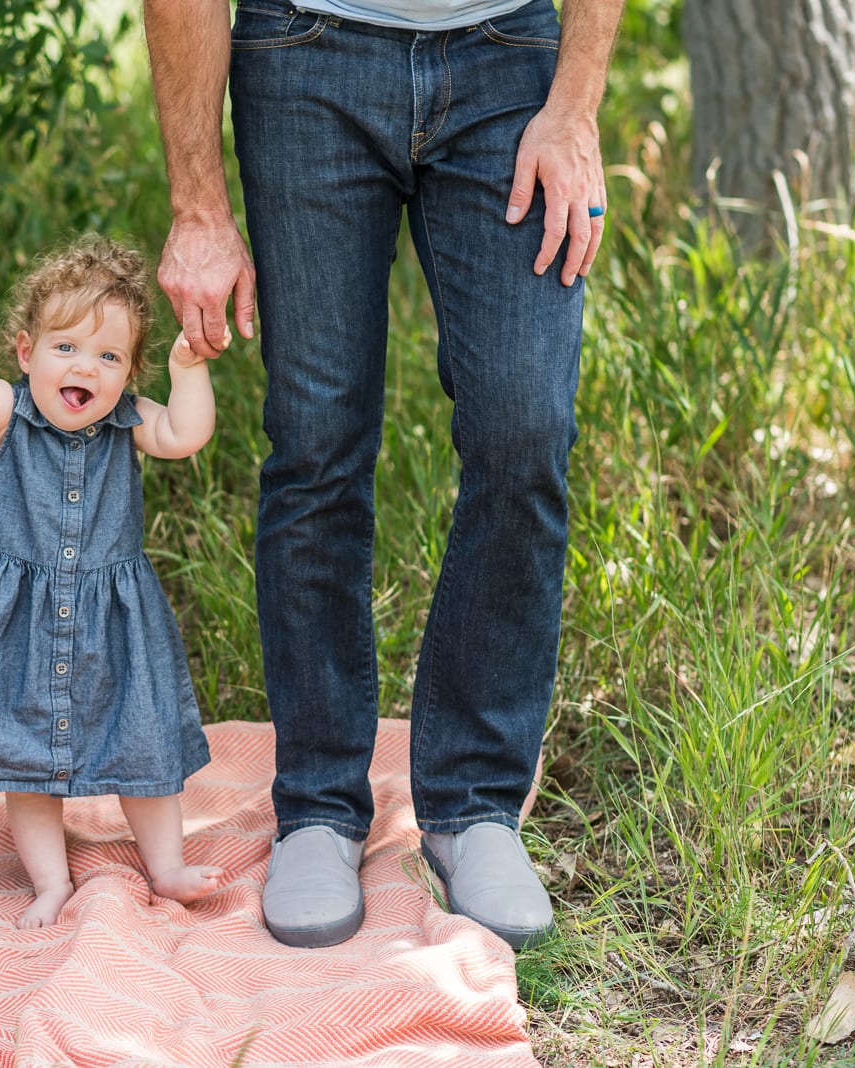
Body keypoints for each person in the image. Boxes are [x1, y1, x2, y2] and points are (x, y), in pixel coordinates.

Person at [144, 0, 622, 949]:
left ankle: (475, 803)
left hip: (509, 59)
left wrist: (575, 103)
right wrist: (197, 203)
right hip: (304, 54)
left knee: (524, 426)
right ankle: (318, 805)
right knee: (315, 442)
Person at [0, 236, 224, 928]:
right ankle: (51, 883)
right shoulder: (5, 413)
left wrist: (187, 369)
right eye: (66, 348)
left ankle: (169, 866)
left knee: (144, 749)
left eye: (108, 357)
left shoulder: (130, 422)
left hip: (110, 631)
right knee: (26, 766)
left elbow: (187, 434)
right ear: (28, 352)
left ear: (127, 374)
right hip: (20, 633)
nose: (85, 368)